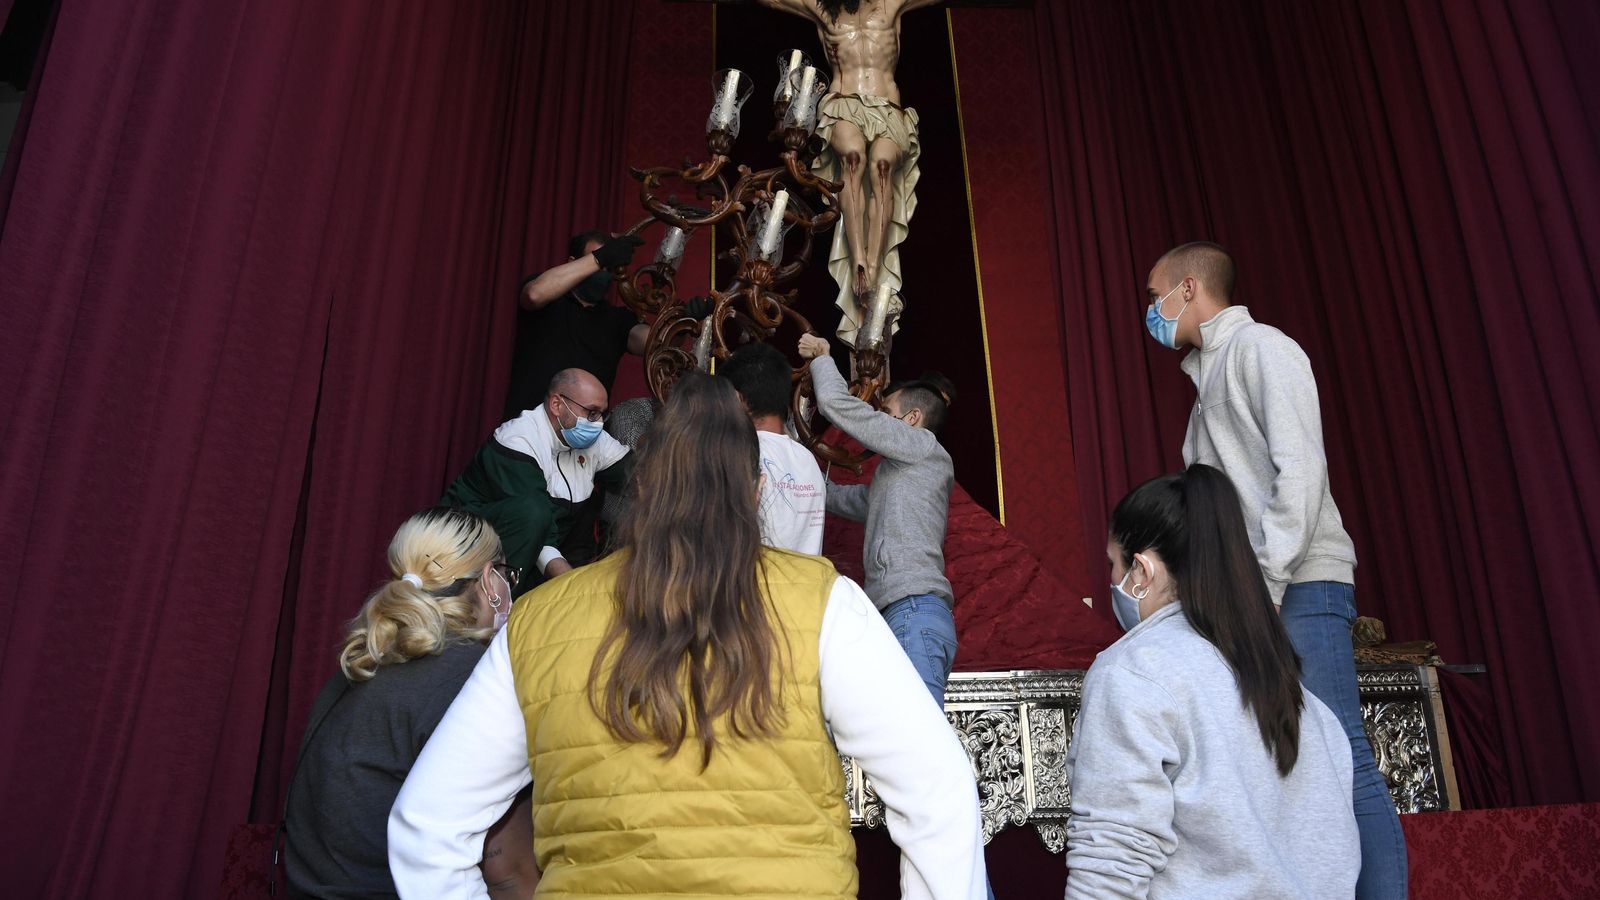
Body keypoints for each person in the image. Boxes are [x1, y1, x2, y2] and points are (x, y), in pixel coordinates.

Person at [388, 373, 987, 898]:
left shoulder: (538, 621)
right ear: (754, 489)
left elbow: (428, 824)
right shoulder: (825, 602)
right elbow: (937, 788)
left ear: (644, 485)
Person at [1142, 241, 1406, 897]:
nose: (1152, 310)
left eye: (1156, 297)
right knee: (1297, 763)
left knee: (1341, 752)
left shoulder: (1264, 349)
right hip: (1257, 593)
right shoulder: (1209, 378)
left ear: (1189, 288)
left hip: (1300, 583)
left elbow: (1303, 471)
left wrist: (1267, 582)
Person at [1066, 465, 1359, 898]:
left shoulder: (1132, 672)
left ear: (1142, 571)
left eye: (1114, 564)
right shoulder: (1297, 692)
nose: (1111, 580)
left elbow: (1111, 864)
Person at [281, 507, 538, 899]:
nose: (510, 591)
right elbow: (507, 868)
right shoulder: (472, 677)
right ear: (490, 580)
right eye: (508, 576)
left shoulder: (363, 662)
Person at [760, 0, 940, 344]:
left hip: (888, 108)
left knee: (883, 167)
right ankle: (859, 262)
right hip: (843, 103)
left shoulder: (892, 3)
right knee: (853, 158)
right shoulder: (822, 8)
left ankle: (873, 266)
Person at [797, 333, 956, 704]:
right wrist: (792, 450)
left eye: (885, 414)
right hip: (901, 615)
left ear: (912, 419)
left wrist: (823, 356)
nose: (878, 421)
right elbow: (835, 498)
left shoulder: (921, 445)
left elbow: (840, 406)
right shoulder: (901, 477)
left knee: (914, 752)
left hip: (912, 612)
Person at [443, 368, 632, 588]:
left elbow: (640, 476)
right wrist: (575, 588)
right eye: (591, 413)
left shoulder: (593, 439)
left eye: (602, 414)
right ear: (557, 405)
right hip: (464, 544)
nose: (598, 423)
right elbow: (536, 526)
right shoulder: (519, 440)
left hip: (533, 553)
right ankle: (497, 611)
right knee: (534, 513)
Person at [503, 230, 649, 421]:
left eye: (607, 267)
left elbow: (654, 343)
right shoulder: (549, 299)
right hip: (530, 429)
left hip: (583, 437)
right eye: (597, 262)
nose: (602, 273)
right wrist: (601, 257)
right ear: (574, 261)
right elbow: (534, 294)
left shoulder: (617, 319)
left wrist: (682, 319)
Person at [719, 340, 827, 554]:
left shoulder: (738, 453)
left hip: (753, 586)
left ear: (740, 399)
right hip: (807, 585)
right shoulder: (807, 459)